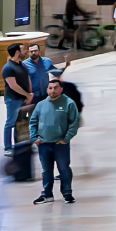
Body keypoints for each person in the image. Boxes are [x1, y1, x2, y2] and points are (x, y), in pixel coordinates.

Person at [28, 76, 82, 206]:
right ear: (47, 90)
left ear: (61, 89)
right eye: (50, 88)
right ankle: (47, 194)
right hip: (44, 144)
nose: (53, 90)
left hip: (60, 144)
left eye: (55, 88)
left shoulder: (68, 103)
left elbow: (74, 123)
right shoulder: (41, 105)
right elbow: (33, 121)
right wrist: (34, 137)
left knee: (64, 168)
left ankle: (67, 193)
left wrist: (66, 138)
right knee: (46, 170)